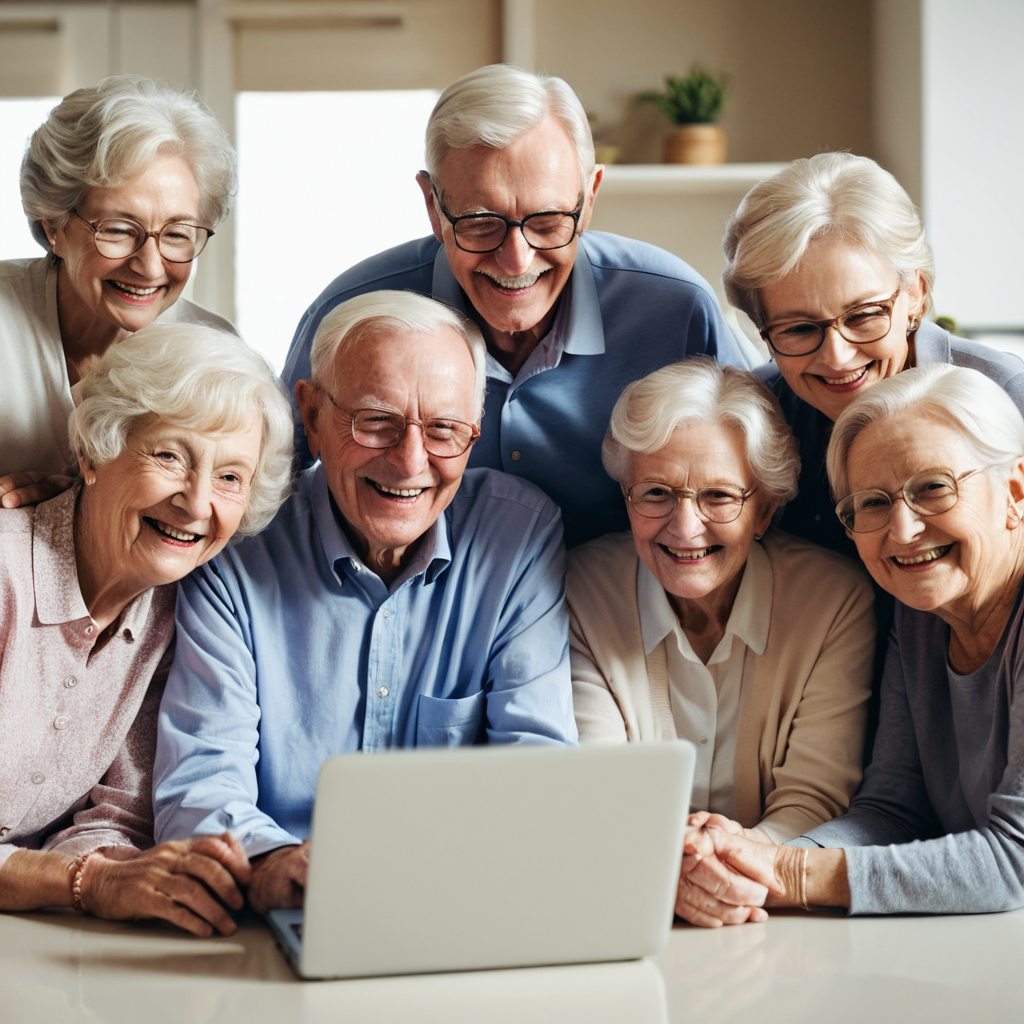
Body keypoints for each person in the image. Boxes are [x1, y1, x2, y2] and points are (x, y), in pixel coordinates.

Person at [153, 290, 578, 914]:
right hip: (279, 914)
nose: (410, 462)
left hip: (464, 902)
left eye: (444, 431)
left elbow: (540, 773)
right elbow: (197, 790)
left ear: (475, 433)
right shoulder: (237, 543)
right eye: (375, 422)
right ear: (311, 413)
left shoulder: (519, 536)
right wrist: (275, 865)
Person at [283, 64, 758, 548]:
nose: (516, 260)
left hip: (629, 609)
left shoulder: (678, 309)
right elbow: (269, 486)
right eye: (480, 222)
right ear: (433, 206)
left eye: (549, 221)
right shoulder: (354, 313)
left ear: (589, 198)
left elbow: (762, 479)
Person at [679, 364, 1024, 922]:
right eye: (872, 503)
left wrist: (789, 873)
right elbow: (891, 809)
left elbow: (1016, 860)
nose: (903, 531)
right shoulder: (918, 615)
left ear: (1015, 491)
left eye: (933, 488)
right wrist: (753, 858)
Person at [0, 323, 293, 936]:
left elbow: (117, 815)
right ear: (93, 453)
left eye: (230, 478)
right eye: (169, 456)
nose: (195, 503)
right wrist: (87, 883)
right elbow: (88, 879)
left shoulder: (173, 614)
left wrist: (144, 878)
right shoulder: (6, 575)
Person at [568, 361, 874, 862]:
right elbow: (599, 792)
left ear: (766, 510)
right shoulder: (579, 592)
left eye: (719, 496)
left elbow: (813, 800)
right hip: (622, 882)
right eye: (656, 494)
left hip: (774, 904)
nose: (685, 528)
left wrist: (729, 861)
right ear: (627, 499)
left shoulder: (835, 601)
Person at [722, 151, 1024, 557]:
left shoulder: (1009, 396)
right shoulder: (760, 417)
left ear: (915, 294)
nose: (837, 356)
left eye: (863, 315)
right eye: (797, 328)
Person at [0, 74, 236, 505]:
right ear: (52, 225)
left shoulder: (216, 355)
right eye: (118, 230)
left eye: (178, 234)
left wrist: (73, 503)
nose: (149, 266)